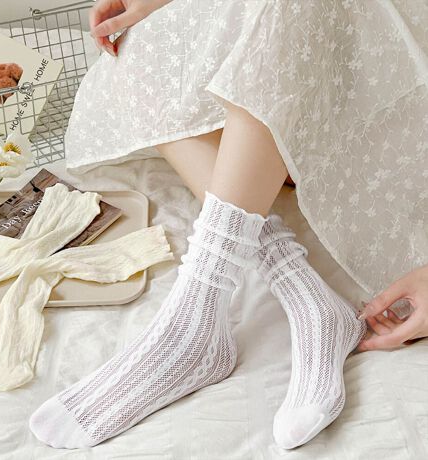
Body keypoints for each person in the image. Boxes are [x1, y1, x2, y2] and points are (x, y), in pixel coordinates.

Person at [29, 0, 428, 450]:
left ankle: (194, 318)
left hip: (377, 70)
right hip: (311, 61)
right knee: (139, 40)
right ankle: (303, 291)